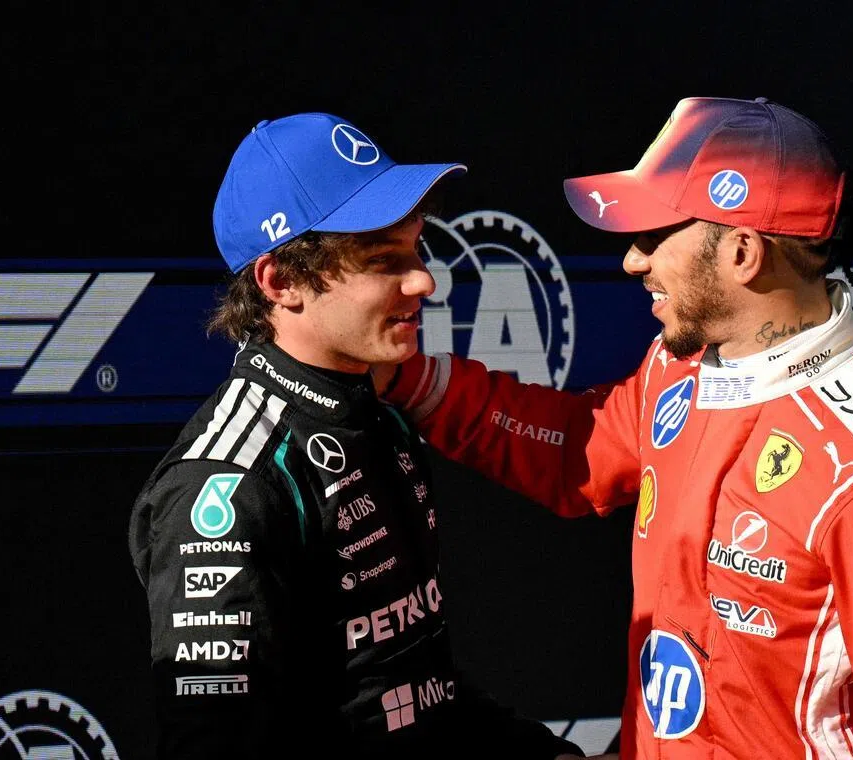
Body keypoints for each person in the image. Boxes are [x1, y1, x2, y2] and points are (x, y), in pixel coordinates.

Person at [379, 97, 853, 758]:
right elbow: (573, 454)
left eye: (653, 237)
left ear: (741, 252)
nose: (632, 262)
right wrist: (407, 381)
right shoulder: (677, 373)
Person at [127, 111, 594, 759]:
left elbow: (411, 691)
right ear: (280, 281)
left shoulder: (381, 418)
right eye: (384, 260)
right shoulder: (229, 485)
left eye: (417, 248)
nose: (424, 279)